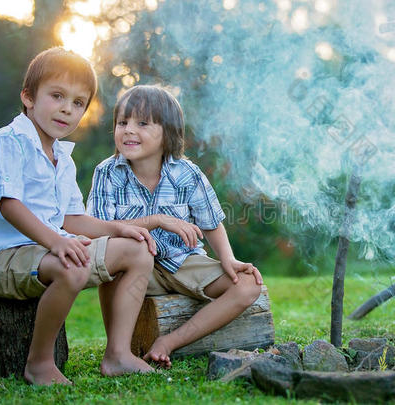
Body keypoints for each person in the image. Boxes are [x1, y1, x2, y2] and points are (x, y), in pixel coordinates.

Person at [0, 47, 158, 385]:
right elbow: (9, 206)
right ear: (28, 97)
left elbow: (72, 219)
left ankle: (117, 354)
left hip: (49, 249)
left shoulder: (62, 158)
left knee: (138, 250)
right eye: (57, 96)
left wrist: (118, 229)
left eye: (78, 103)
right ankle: (39, 362)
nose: (67, 109)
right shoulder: (9, 143)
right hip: (3, 256)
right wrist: (56, 242)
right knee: (72, 264)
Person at [87, 84, 264, 368]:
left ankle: (169, 342)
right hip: (132, 269)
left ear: (167, 132)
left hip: (183, 262)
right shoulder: (107, 172)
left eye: (142, 123)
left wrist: (229, 259)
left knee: (247, 286)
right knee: (113, 263)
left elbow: (211, 222)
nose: (129, 130)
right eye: (122, 123)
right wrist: (155, 220)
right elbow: (98, 228)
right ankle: (117, 352)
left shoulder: (187, 173)